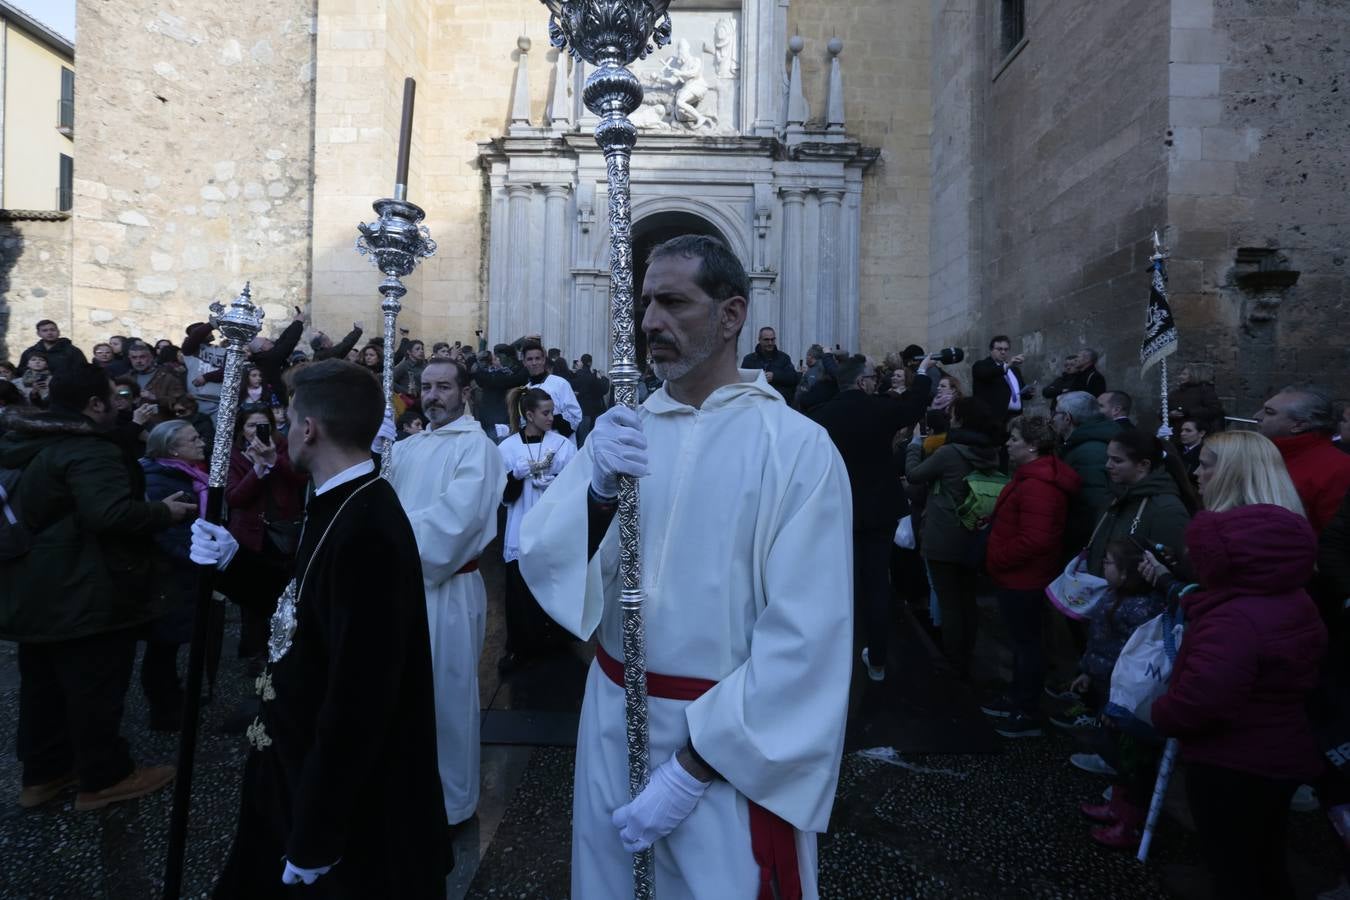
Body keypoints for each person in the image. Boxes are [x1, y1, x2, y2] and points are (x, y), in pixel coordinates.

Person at [517, 235, 852, 897]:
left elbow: (808, 639)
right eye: (645, 303)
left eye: (673, 302)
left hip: (728, 748)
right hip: (612, 721)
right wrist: (599, 491)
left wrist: (695, 767)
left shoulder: (796, 449)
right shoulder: (624, 431)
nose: (649, 322)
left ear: (731, 316)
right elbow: (547, 559)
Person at [190, 359, 451, 896]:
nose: (283, 434)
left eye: (287, 421)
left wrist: (317, 834)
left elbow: (359, 698)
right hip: (291, 762)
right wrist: (232, 562)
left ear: (309, 428)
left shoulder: (367, 527)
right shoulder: (337, 501)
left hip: (340, 801)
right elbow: (306, 604)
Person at [0, 364, 195, 810]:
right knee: (94, 687)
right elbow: (108, 515)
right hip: (82, 587)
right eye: (115, 397)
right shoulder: (88, 448)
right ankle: (103, 777)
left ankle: (43, 775)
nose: (122, 403)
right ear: (94, 404)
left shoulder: (24, 438)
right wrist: (163, 512)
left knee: (43, 686)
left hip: (34, 586)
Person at [1146, 495, 1325, 899]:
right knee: (1264, 860)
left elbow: (1202, 700)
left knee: (1233, 867)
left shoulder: (1234, 620)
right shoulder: (1291, 600)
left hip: (1233, 762)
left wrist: (1159, 713)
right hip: (1281, 751)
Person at [387, 358, 505, 828]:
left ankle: (450, 803)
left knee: (446, 696)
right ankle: (403, 791)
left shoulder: (478, 450)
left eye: (443, 387)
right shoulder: (407, 448)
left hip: (448, 589)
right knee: (401, 693)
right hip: (398, 587)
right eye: (426, 387)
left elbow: (456, 524)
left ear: (465, 392)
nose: (433, 396)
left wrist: (387, 544)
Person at [813, 352, 934, 681]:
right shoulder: (878, 409)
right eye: (872, 377)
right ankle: (877, 659)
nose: (876, 381)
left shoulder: (820, 416)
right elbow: (913, 405)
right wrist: (922, 373)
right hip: (878, 511)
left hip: (835, 512)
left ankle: (832, 662)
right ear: (862, 381)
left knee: (836, 585)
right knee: (877, 584)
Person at [982, 415, 1082, 736]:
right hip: (1018, 575)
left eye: (1014, 439)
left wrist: (997, 556)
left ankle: (1026, 710)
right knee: (1022, 643)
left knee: (1028, 646)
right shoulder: (1030, 478)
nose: (1008, 444)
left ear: (1033, 445)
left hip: (1023, 578)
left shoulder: (1039, 485)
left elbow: (1038, 538)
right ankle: (1017, 697)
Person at [1074, 539, 1166, 849]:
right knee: (1114, 751)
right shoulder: (1112, 595)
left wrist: (1119, 697)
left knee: (1131, 759)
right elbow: (1098, 640)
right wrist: (1087, 670)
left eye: (1109, 563)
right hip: (1104, 684)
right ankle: (1117, 805)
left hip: (1126, 694)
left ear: (1127, 573)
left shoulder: (1142, 609)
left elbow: (1133, 658)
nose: (1102, 566)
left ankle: (1130, 821)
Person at [905, 396, 1001, 678]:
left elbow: (914, 475)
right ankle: (966, 655)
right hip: (974, 534)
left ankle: (953, 662)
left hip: (943, 535)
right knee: (966, 601)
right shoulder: (989, 451)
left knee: (949, 603)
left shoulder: (950, 453)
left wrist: (914, 445)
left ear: (960, 419)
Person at [497, 387, 577, 670]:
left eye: (552, 412)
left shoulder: (563, 445)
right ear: (529, 415)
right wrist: (515, 477)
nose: (551, 417)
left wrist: (556, 483)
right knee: (519, 589)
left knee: (552, 584)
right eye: (545, 413)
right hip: (520, 524)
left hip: (551, 525)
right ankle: (519, 645)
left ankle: (555, 641)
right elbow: (500, 495)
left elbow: (576, 485)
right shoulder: (507, 448)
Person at [138, 420, 210, 731]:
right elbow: (167, 535)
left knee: (168, 645)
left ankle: (175, 698)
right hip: (170, 576)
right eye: (193, 439)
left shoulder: (186, 473)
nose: (202, 442)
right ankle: (165, 710)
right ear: (173, 449)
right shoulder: (161, 480)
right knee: (162, 647)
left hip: (180, 574)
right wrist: (197, 560)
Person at [225, 404, 306, 664]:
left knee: (281, 593)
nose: (257, 431)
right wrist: (256, 471)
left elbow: (301, 479)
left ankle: (282, 647)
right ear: (241, 429)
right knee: (252, 597)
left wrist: (274, 460)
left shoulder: (283, 446)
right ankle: (255, 652)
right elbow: (235, 497)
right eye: (251, 425)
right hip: (250, 534)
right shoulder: (234, 454)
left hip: (282, 529)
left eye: (263, 425)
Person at [1085, 427, 1197, 576]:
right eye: (1109, 458)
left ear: (1143, 465)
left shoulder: (1166, 510)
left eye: (1117, 460)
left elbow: (1175, 571)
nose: (1108, 465)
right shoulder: (1114, 497)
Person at [1255, 383, 1350, 533]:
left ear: (1299, 425)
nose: (1257, 417)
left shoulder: (1338, 469)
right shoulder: (1262, 455)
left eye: (1269, 412)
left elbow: (1334, 536)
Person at [1054, 391, 1122, 553]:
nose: (1052, 418)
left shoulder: (1089, 452)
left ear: (1067, 418)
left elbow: (1093, 505)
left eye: (1055, 413)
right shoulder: (1082, 445)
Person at [247, 306, 306, 407]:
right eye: (265, 340)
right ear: (262, 348)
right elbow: (287, 344)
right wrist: (298, 323)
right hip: (280, 400)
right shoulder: (268, 358)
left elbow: (281, 340)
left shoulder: (266, 356)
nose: (269, 340)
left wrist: (295, 322)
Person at [521, 341, 582, 438]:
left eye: (537, 358)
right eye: (529, 359)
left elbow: (575, 416)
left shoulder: (560, 384)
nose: (534, 363)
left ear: (544, 360)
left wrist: (545, 419)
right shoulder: (524, 390)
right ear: (524, 362)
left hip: (560, 444)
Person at [473, 344, 529, 441]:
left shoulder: (512, 372)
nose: (495, 360)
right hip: (492, 418)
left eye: (497, 357)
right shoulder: (493, 374)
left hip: (506, 417)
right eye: (495, 357)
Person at [971, 335, 1030, 424]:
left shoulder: (1014, 370)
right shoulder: (981, 365)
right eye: (999, 349)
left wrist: (1029, 392)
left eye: (1006, 349)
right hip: (994, 419)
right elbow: (988, 373)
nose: (1003, 352)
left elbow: (1020, 392)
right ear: (991, 350)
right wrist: (1007, 365)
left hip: (1016, 417)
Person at [740, 325, 800, 405]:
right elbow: (742, 383)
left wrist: (775, 376)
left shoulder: (784, 358)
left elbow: (793, 378)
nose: (770, 343)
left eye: (772, 339)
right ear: (759, 340)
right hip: (756, 404)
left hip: (779, 403)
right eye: (766, 340)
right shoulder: (749, 359)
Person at [125, 340, 187, 416]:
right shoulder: (126, 379)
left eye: (142, 357)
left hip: (160, 422)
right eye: (134, 357)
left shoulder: (168, 376)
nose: (138, 361)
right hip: (134, 423)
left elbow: (181, 401)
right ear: (129, 358)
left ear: (151, 357)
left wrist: (156, 398)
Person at [18, 319, 88, 378]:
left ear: (58, 332)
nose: (49, 333)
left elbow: (83, 371)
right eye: (45, 330)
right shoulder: (30, 352)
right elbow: (21, 372)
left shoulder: (73, 351)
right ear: (38, 333)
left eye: (52, 330)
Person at [1169, 362, 1225, 433]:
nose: (1180, 377)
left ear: (1193, 375)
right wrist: (1169, 414)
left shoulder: (1205, 391)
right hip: (1176, 432)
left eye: (1184, 374)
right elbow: (1163, 410)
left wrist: (1188, 412)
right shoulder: (1175, 393)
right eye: (1181, 374)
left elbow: (1214, 410)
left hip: (1198, 432)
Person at [572, 353, 609, 447]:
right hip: (591, 410)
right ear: (590, 363)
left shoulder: (577, 375)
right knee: (588, 438)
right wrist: (603, 377)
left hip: (579, 409)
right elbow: (603, 389)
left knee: (580, 437)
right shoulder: (592, 376)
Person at [1175, 417, 1207, 485]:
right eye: (1182, 430)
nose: (1182, 434)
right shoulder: (1175, 449)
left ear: (1201, 433)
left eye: (1188, 431)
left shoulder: (1206, 454)